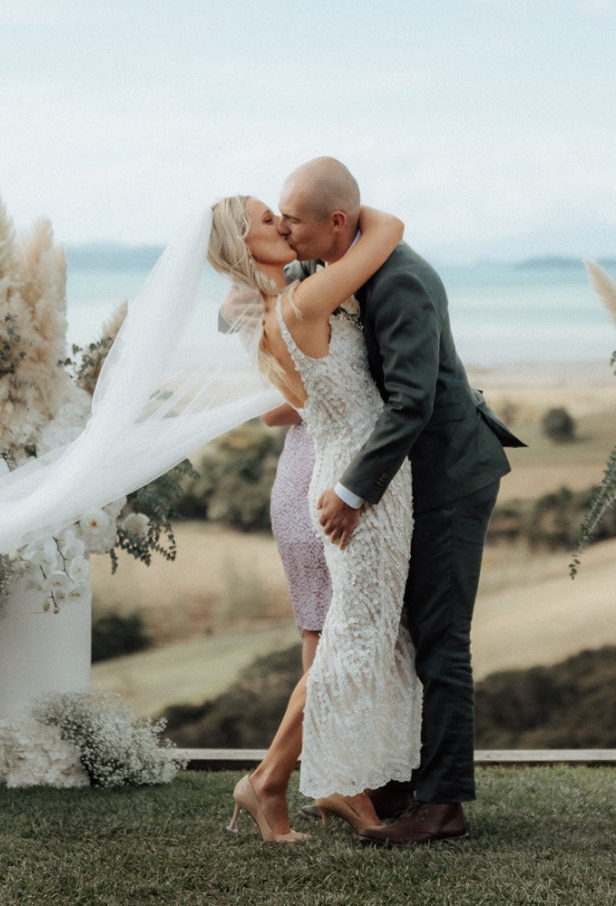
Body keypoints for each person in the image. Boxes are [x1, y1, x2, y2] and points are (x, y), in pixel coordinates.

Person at [278, 157, 523, 846]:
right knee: (402, 630)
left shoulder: (402, 280)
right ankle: (398, 781)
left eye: (293, 217)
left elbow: (413, 402)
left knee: (442, 642)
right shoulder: (335, 269)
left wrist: (353, 492)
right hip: (404, 479)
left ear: (334, 222)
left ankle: (441, 806)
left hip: (448, 474)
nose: (285, 227)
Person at [208, 195, 422, 844]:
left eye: (284, 212)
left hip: (346, 468)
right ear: (248, 249)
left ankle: (325, 783)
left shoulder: (289, 296)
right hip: (346, 480)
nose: (283, 222)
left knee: (350, 640)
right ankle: (271, 781)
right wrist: (333, 207)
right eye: (270, 220)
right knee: (343, 644)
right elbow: (388, 227)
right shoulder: (300, 301)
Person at [262, 403, 330, 673]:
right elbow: (270, 414)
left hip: (351, 479)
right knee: (318, 619)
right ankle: (317, 712)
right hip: (302, 493)